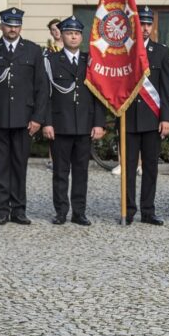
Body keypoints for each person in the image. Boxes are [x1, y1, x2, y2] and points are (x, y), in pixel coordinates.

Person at [0, 7, 47, 224]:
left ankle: (18, 209)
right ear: (1, 27)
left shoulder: (33, 51)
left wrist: (37, 118)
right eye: (9, 25)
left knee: (19, 165)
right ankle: (1, 209)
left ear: (21, 27)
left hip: (24, 119)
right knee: (0, 166)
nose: (13, 29)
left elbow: (41, 88)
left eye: (16, 25)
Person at [42, 16, 106, 225]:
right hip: (60, 125)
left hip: (84, 125)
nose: (73, 36)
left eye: (77, 33)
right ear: (62, 35)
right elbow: (46, 95)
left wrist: (99, 123)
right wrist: (47, 122)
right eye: (69, 33)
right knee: (61, 172)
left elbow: (99, 95)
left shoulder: (91, 61)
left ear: (82, 36)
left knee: (81, 172)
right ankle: (61, 211)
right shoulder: (51, 61)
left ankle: (79, 212)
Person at [123, 5, 169, 225]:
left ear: (152, 27)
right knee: (128, 168)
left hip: (153, 118)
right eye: (141, 24)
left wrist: (167, 117)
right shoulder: (124, 50)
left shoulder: (161, 51)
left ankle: (147, 210)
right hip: (129, 118)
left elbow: (167, 88)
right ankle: (128, 209)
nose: (144, 28)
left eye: (148, 24)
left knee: (151, 167)